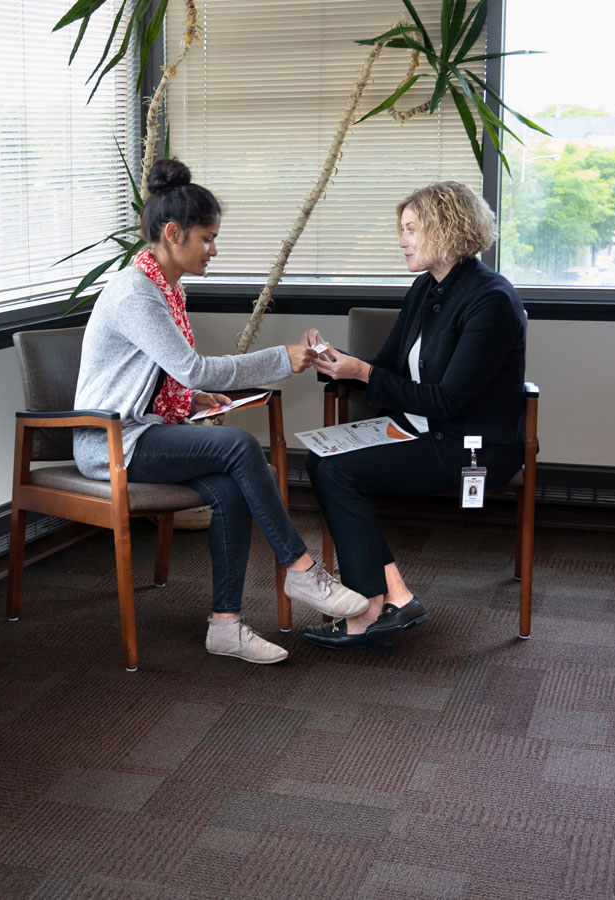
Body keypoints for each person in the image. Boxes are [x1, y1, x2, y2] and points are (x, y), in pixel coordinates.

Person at [73, 158, 368, 664]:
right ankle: (301, 571)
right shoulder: (135, 292)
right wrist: (280, 358)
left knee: (232, 488)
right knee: (238, 445)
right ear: (173, 233)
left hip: (144, 431)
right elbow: (192, 367)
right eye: (207, 238)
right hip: (112, 441)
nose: (214, 248)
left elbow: (162, 375)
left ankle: (225, 626)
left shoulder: (164, 287)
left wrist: (192, 399)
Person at [303, 181, 526, 650]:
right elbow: (383, 367)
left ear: (445, 229)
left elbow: (448, 401)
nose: (401, 240)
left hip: (472, 445)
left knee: (339, 473)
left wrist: (362, 372)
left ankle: (366, 610)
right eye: (401, 229)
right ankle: (397, 596)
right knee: (319, 460)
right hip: (419, 428)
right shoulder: (426, 287)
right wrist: (335, 362)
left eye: (410, 229)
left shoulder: (492, 301)